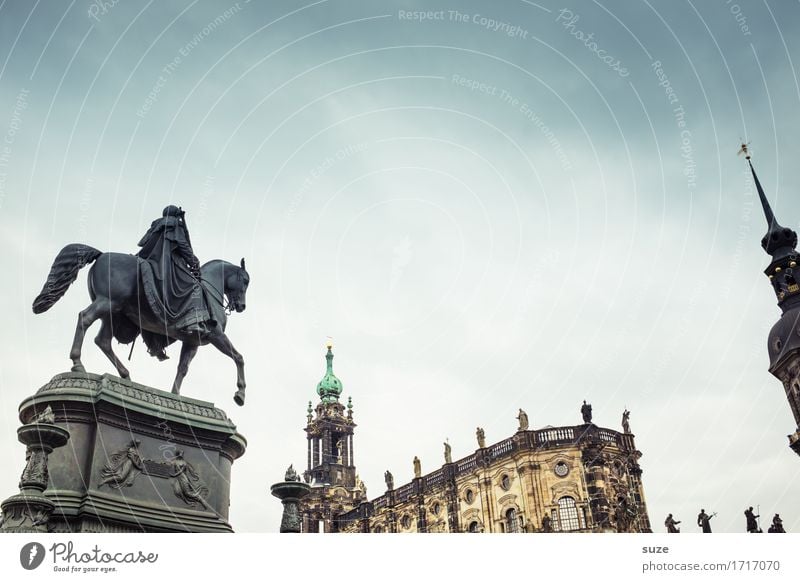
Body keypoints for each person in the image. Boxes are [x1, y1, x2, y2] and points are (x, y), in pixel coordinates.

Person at [136, 206, 211, 358]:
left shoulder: (156, 225)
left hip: (150, 262)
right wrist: (194, 261)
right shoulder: (175, 225)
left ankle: (155, 344)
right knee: (195, 286)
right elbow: (183, 246)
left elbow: (144, 244)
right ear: (176, 215)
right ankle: (193, 323)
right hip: (170, 264)